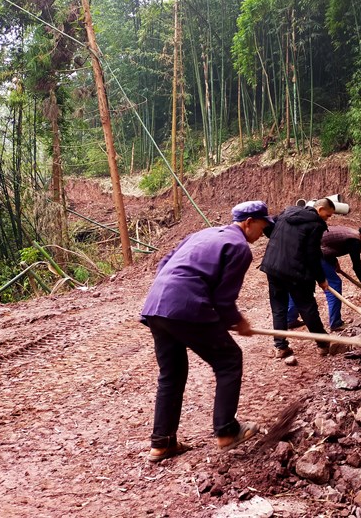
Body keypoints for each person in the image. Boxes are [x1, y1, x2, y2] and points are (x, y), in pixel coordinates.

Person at [140, 200, 273, 462]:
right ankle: (226, 431)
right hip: (186, 307)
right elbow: (223, 299)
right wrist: (238, 321)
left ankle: (162, 443)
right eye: (262, 226)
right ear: (249, 223)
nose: (263, 232)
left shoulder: (203, 233)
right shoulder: (239, 247)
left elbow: (164, 263)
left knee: (171, 374)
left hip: (156, 306)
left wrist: (172, 294)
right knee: (229, 360)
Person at [259, 198, 335, 358]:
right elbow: (312, 256)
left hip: (273, 267)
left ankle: (281, 347)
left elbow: (268, 226)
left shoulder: (287, 212)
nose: (328, 219)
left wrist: (279, 242)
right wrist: (321, 279)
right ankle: (323, 344)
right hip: (296, 272)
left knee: (278, 308)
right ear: (320, 210)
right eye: (328, 215)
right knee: (307, 307)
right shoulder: (316, 224)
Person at [318, 223, 361, 331]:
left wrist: (334, 261)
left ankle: (290, 318)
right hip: (315, 253)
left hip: (317, 251)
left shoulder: (352, 234)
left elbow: (331, 243)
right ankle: (336, 323)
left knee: (302, 284)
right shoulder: (355, 241)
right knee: (334, 284)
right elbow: (357, 267)